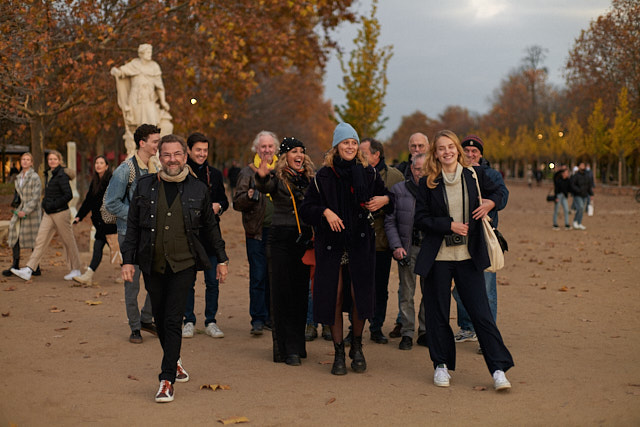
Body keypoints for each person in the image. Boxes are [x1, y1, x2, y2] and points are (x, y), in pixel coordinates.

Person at [121, 134, 229, 403]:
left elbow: (210, 228)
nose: (172, 160)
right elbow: (132, 226)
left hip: (184, 265)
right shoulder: (144, 186)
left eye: (177, 154)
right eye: (167, 155)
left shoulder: (198, 189)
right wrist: (127, 260)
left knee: (172, 319)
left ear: (185, 156)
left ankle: (166, 378)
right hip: (152, 264)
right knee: (159, 319)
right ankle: (176, 359)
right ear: (159, 157)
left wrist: (222, 259)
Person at [414, 130, 513, 391]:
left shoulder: (475, 175)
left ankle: (498, 369)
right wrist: (449, 225)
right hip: (439, 258)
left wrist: (491, 203)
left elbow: (501, 193)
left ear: (458, 150)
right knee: (437, 314)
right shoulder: (428, 182)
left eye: (450, 147)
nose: (446, 152)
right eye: (441, 148)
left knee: (481, 314)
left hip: (469, 257)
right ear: (435, 153)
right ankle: (441, 366)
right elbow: (420, 219)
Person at [300, 122, 392, 376]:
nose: (350, 147)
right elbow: (307, 208)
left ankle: (357, 346)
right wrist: (325, 212)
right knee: (335, 295)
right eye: (345, 143)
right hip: (331, 243)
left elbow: (388, 199)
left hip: (360, 241)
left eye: (353, 142)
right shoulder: (323, 176)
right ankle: (339, 351)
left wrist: (385, 199)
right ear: (336, 146)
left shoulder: (369, 173)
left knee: (359, 294)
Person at [255, 137, 314, 366]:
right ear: (285, 156)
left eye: (302, 151)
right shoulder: (277, 178)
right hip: (281, 239)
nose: (299, 155)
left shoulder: (310, 178)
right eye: (293, 151)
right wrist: (261, 175)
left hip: (304, 239)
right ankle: (284, 349)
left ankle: (298, 345)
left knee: (301, 294)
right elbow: (264, 186)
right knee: (282, 293)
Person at [451, 135, 509, 351]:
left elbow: (503, 195)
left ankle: (488, 336)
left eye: (474, 151)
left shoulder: (490, 174)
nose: (470, 154)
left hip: (483, 238)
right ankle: (467, 327)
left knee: (486, 289)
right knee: (459, 288)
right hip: (458, 237)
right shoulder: (453, 172)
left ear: (481, 154)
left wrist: (490, 203)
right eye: (466, 150)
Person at [104, 124, 159, 344]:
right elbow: (111, 204)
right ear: (142, 143)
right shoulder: (125, 169)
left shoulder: (155, 167)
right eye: (155, 141)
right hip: (130, 235)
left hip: (152, 234)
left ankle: (146, 318)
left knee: (156, 281)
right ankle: (135, 327)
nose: (158, 145)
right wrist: (137, 216)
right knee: (132, 284)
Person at [181, 132, 229, 339]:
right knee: (187, 281)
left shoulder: (215, 174)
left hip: (210, 234)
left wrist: (219, 206)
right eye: (198, 150)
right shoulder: (181, 173)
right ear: (189, 150)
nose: (202, 154)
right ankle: (188, 320)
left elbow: (225, 201)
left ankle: (211, 321)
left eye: (205, 150)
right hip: (187, 235)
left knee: (212, 281)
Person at [12, 150, 83, 281]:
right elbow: (49, 193)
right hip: (49, 214)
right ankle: (29, 269)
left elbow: (68, 195)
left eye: (55, 159)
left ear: (59, 161)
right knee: (40, 240)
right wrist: (45, 203)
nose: (52, 161)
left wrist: (53, 205)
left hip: (61, 213)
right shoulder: (49, 174)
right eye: (50, 159)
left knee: (68, 242)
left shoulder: (61, 175)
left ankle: (76, 270)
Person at [359, 138, 403, 344]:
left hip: (383, 242)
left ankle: (376, 327)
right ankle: (355, 327)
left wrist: (386, 201)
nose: (359, 155)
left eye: (364, 152)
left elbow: (402, 204)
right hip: (358, 239)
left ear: (377, 154)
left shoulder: (395, 177)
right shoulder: (354, 171)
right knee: (357, 286)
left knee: (380, 288)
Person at [233, 131, 277, 335]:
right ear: (256, 149)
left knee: (274, 276)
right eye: (263, 147)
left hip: (279, 232)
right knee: (258, 276)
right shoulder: (247, 173)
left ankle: (271, 317)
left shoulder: (282, 171)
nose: (267, 150)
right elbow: (237, 202)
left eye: (270, 146)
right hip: (256, 232)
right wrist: (249, 196)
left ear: (275, 148)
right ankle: (257, 319)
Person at [384, 153, 428, 350]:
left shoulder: (437, 190)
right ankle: (407, 332)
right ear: (411, 169)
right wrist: (396, 246)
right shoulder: (399, 190)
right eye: (418, 169)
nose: (421, 173)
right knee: (407, 292)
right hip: (407, 249)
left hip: (430, 249)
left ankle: (425, 330)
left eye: (425, 169)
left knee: (430, 293)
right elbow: (390, 221)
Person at [110, 44, 172, 156]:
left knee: (153, 125)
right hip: (136, 100)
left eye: (150, 52)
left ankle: (154, 153)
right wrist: (116, 71)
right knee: (137, 126)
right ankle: (137, 153)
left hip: (149, 100)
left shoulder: (154, 67)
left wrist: (163, 101)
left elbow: (159, 86)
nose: (150, 54)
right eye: (147, 52)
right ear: (142, 54)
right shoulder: (135, 64)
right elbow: (122, 72)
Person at [72, 156, 118, 284]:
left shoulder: (111, 180)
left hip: (110, 222)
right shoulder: (95, 181)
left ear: (107, 166)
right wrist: (79, 216)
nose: (98, 165)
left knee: (112, 250)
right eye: (96, 162)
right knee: (112, 249)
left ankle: (88, 275)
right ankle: (88, 276)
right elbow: (88, 201)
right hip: (100, 222)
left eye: (101, 163)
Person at [3, 153, 42, 277]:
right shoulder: (18, 177)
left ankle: (36, 267)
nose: (25, 162)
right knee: (15, 234)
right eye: (23, 159)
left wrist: (25, 210)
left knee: (34, 239)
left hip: (32, 211)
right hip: (20, 210)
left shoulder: (35, 177)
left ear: (31, 163)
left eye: (28, 160)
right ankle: (15, 264)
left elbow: (36, 197)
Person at [570, 162, 593, 230]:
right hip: (577, 195)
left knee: (581, 209)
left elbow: (589, 186)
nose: (582, 166)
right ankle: (575, 221)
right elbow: (572, 185)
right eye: (581, 165)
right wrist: (578, 190)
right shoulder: (576, 176)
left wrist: (591, 194)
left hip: (584, 195)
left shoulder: (586, 176)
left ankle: (579, 223)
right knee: (580, 207)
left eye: (583, 165)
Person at [552, 165, 571, 231]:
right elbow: (556, 188)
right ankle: (555, 224)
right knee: (556, 210)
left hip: (564, 196)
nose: (567, 174)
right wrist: (556, 197)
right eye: (566, 172)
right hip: (559, 195)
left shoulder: (568, 180)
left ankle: (567, 223)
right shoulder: (558, 179)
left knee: (566, 209)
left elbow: (570, 188)